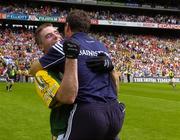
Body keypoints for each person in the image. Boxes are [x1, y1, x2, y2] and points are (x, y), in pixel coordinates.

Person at [33, 10, 124, 140]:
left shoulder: (80, 53)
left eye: (56, 32)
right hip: (66, 128)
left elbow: (114, 90)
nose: (55, 36)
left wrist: (110, 68)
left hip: (98, 118)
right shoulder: (42, 74)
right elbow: (67, 98)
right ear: (41, 46)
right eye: (48, 36)